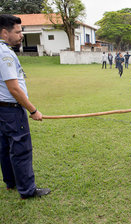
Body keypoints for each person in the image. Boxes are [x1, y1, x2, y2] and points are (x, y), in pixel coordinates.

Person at [0, 15, 51, 199]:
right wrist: (33, 110)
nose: (21, 35)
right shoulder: (5, 53)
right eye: (18, 31)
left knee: (5, 147)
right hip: (12, 110)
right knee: (20, 149)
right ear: (5, 33)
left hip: (3, 110)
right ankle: (27, 191)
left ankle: (11, 182)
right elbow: (13, 87)